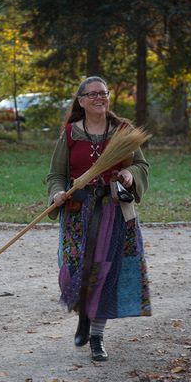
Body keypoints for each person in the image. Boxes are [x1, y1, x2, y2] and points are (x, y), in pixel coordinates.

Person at [47, 76, 151, 362]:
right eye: (91, 94)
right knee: (73, 269)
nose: (98, 98)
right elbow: (56, 175)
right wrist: (58, 193)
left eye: (103, 93)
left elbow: (141, 165)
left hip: (112, 211)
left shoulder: (122, 131)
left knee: (104, 272)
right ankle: (84, 317)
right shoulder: (70, 134)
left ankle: (96, 336)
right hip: (77, 213)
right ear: (80, 101)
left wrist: (131, 175)